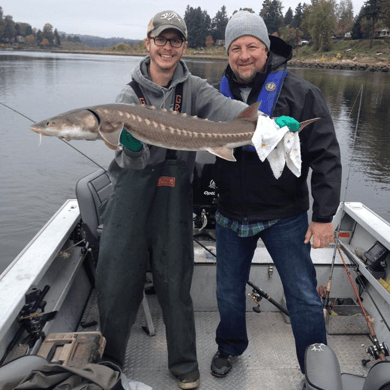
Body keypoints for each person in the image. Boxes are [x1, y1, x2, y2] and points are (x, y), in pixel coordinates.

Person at [95, 10, 297, 390]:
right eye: (161, 39)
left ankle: (184, 364)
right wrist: (133, 147)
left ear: (183, 46)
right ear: (149, 42)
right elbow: (124, 160)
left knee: (175, 282)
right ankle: (110, 363)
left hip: (174, 196)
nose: (167, 47)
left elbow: (230, 111)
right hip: (131, 195)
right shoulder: (128, 95)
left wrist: (266, 125)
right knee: (117, 280)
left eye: (175, 40)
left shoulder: (195, 89)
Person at [210, 11, 342, 378]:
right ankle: (229, 347)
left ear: (266, 50)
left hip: (286, 214)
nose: (244, 54)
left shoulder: (301, 93)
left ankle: (314, 367)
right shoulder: (211, 96)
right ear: (227, 53)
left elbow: (327, 157)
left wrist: (323, 217)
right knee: (228, 292)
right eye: (235, 47)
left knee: (302, 295)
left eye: (252, 45)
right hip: (229, 213)